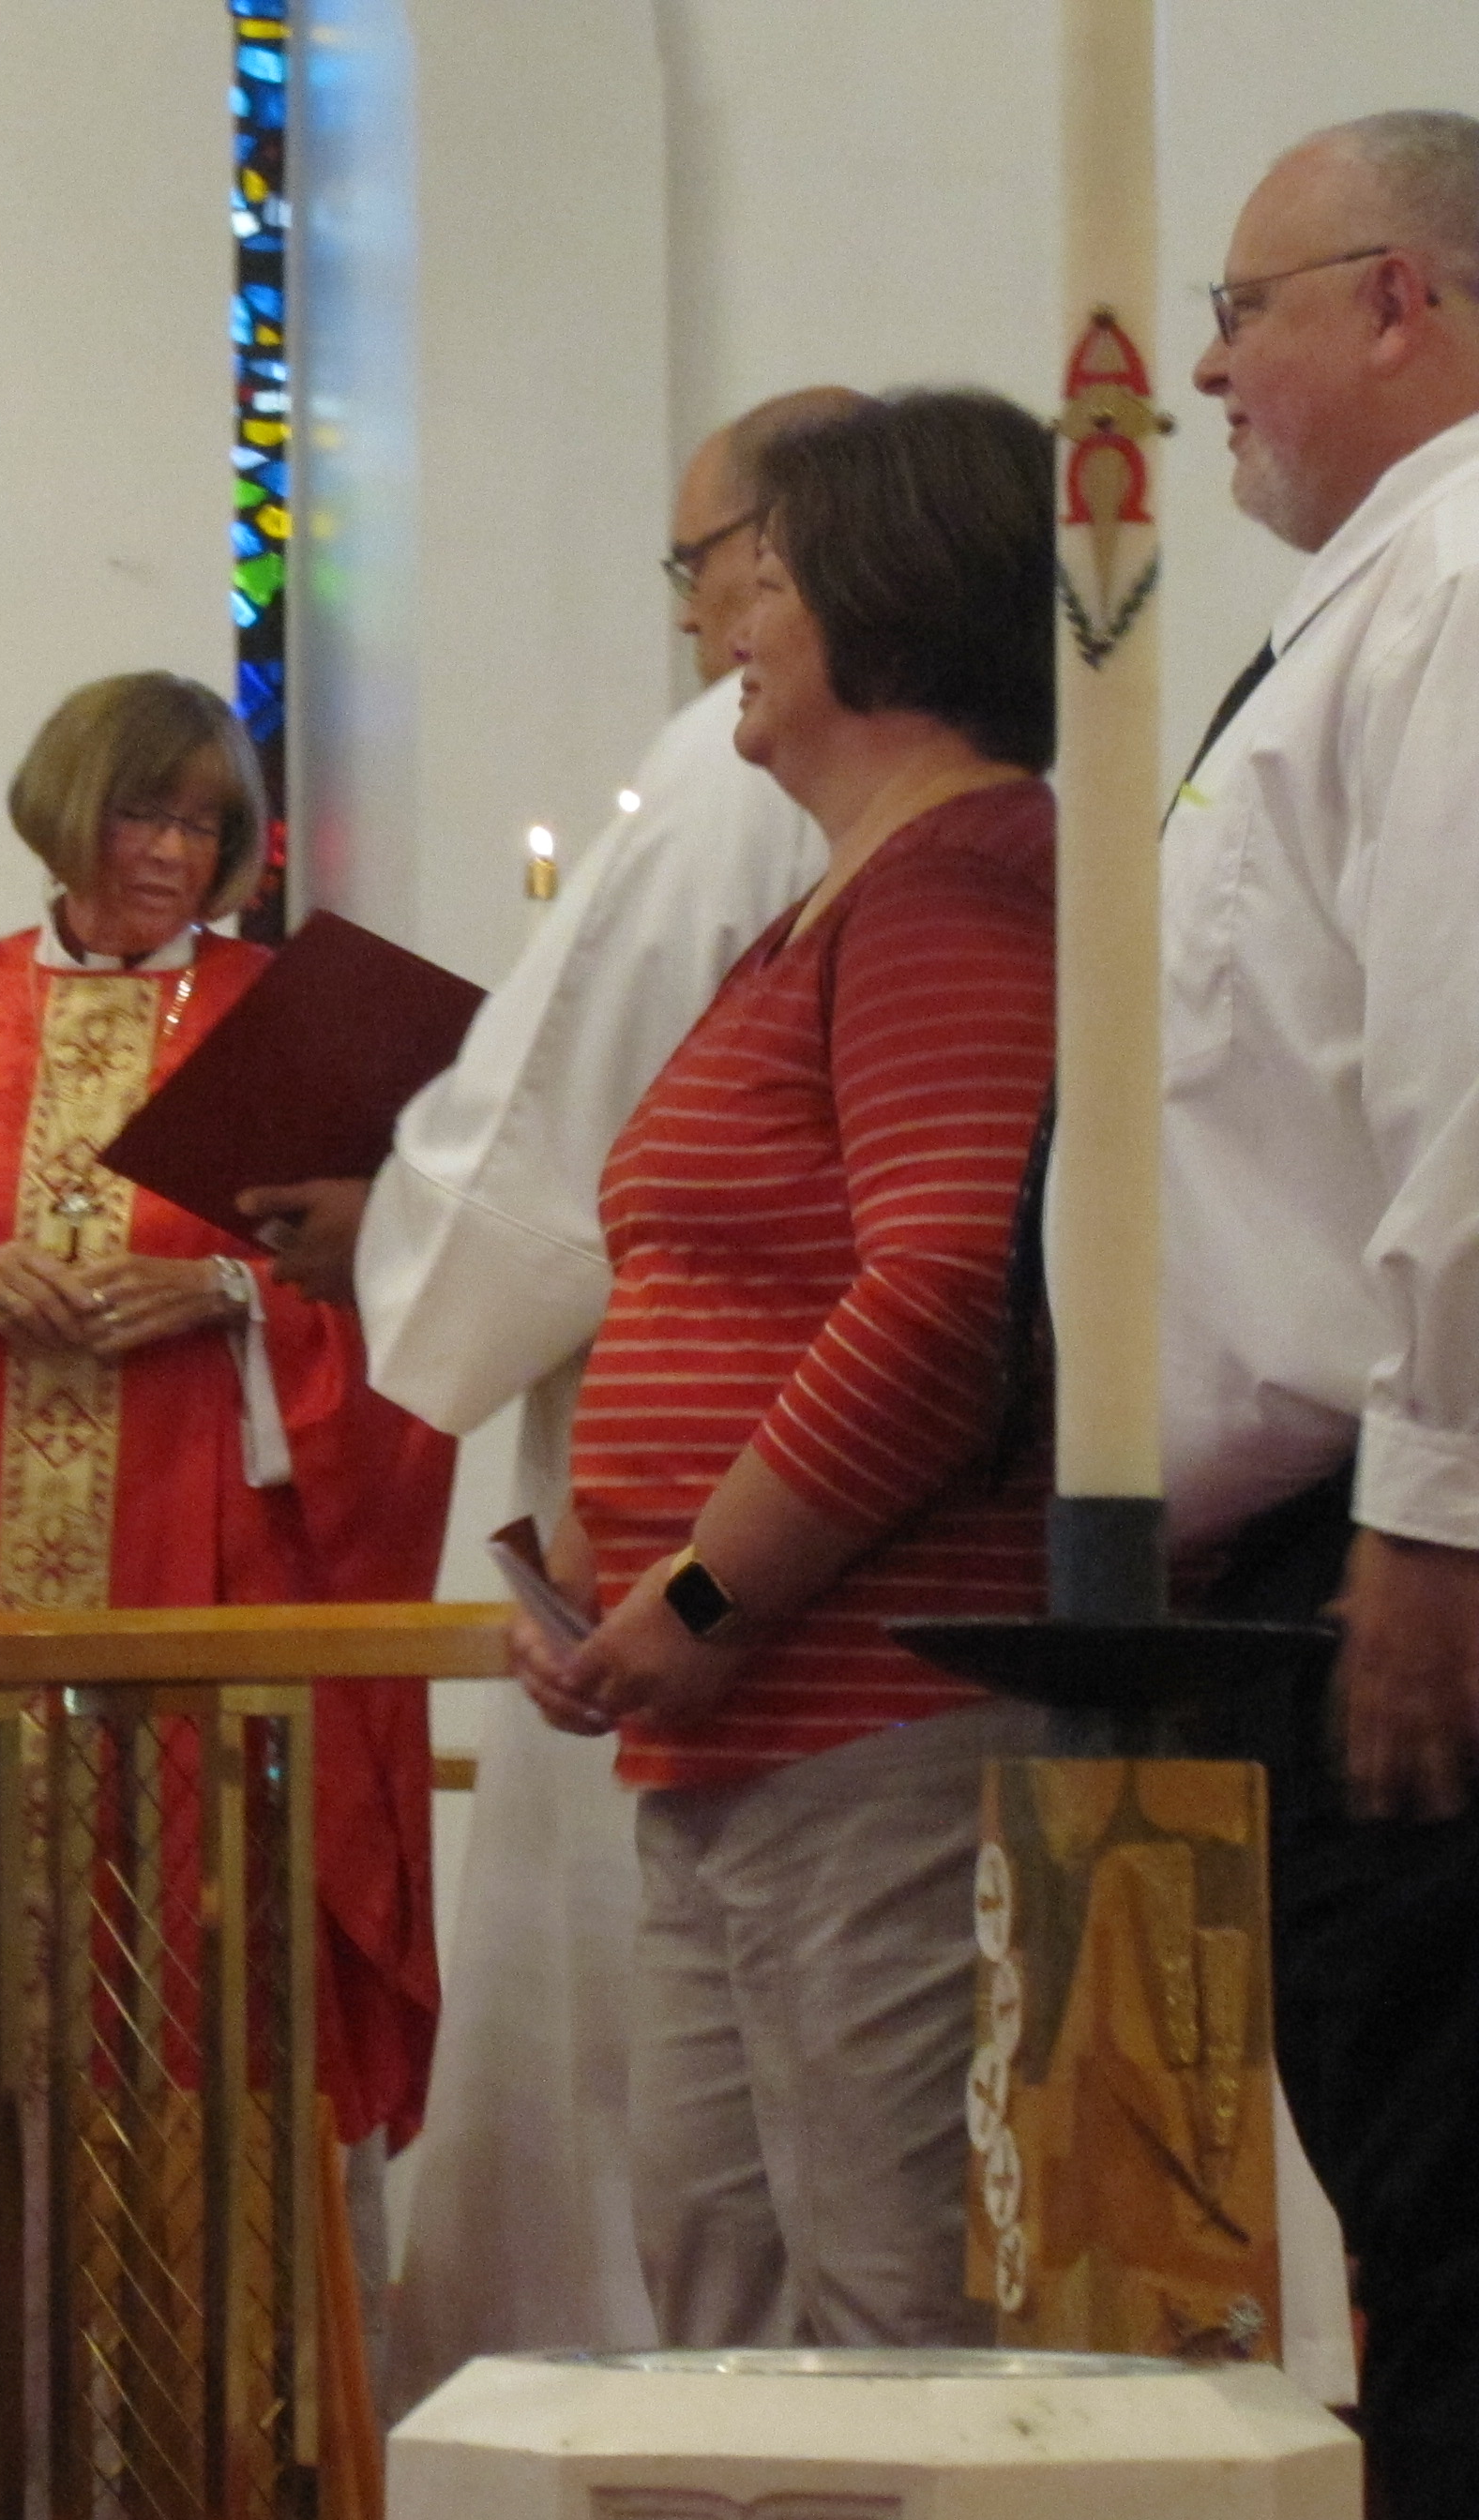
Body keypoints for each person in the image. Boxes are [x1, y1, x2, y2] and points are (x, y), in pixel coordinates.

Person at [254, 400, 838, 2408]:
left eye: (698, 568)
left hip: (700, 1514)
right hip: (799, 1490)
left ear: (779, 555)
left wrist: (384, 1228)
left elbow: (572, 1141)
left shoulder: (727, 777)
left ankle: (608, 2420)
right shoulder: (979, 780)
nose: (688, 618)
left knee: (669, 2074)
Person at [511, 388, 1056, 2350]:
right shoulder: (831, 902)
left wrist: (704, 1588)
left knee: (890, 2315)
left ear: (886, 602)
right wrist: (616, 1568)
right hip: (741, 1726)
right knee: (730, 2306)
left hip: (875, 1712)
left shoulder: (962, 885)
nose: (729, 624)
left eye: (770, 583)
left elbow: (944, 1292)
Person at [0, 670, 456, 2150]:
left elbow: (400, 1301)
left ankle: (216, 2288)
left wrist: (230, 1296)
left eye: (207, 826)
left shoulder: (290, 1025)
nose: (175, 855)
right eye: (143, 815)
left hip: (207, 1591)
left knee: (213, 1960)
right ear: (70, 811)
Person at [1160, 110, 1479, 2520]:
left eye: (1243, 305)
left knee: (1463, 2229)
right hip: (1342, 1527)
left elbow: (1467, 1073)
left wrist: (1434, 1518)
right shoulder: (1380, 598)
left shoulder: (1461, 582)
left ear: (1401, 299)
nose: (1205, 368)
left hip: (1410, 1556)